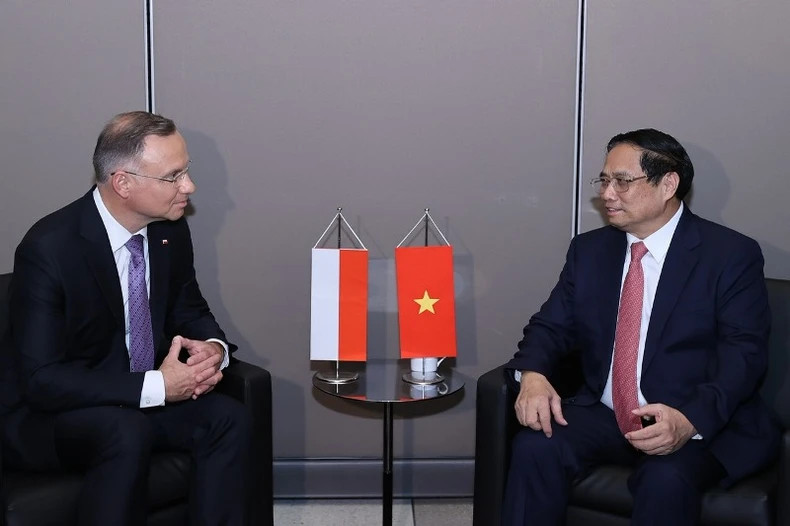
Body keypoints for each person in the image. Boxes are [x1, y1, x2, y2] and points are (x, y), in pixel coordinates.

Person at [502, 128, 780, 525]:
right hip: (607, 413)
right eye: (604, 180)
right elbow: (550, 326)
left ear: (668, 184)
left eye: (622, 181)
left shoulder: (730, 255)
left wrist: (688, 420)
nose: (607, 194)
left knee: (665, 479)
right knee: (535, 447)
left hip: (695, 418)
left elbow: (744, 356)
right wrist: (532, 375)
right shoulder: (590, 251)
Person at [1, 111, 250, 525]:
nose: (189, 186)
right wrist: (158, 386)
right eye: (173, 177)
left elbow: (188, 309)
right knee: (125, 430)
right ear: (123, 183)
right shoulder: (49, 249)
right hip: (51, 417)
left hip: (135, 399)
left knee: (227, 418)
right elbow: (42, 381)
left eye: (186, 170)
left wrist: (212, 348)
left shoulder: (168, 230)